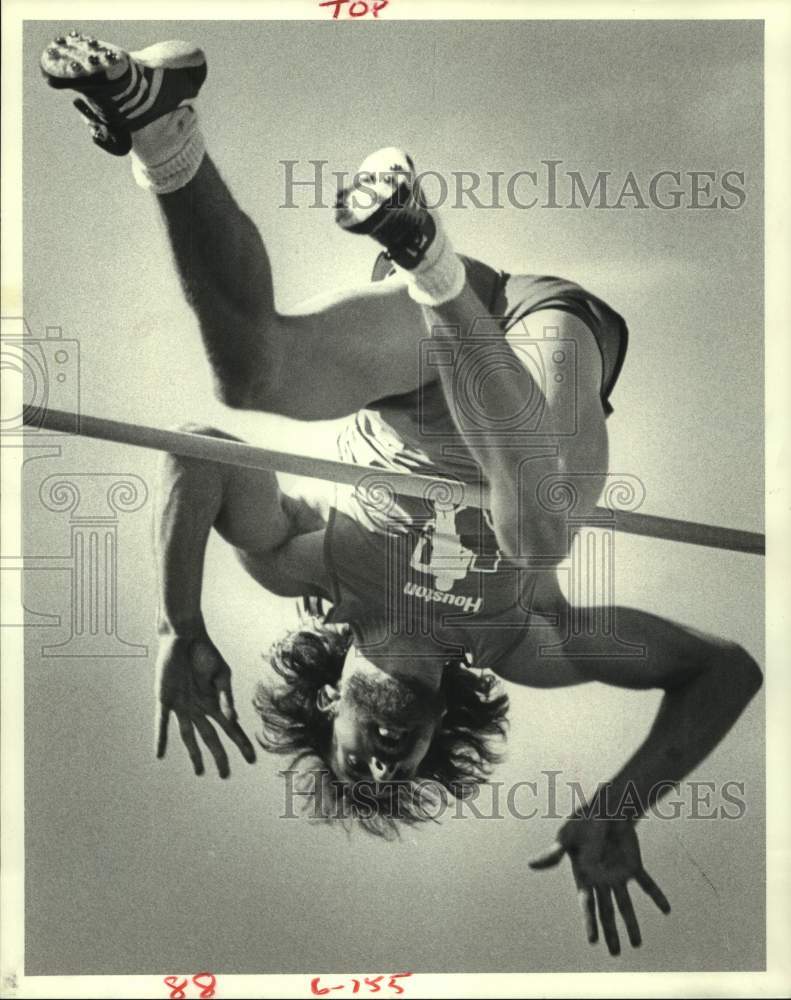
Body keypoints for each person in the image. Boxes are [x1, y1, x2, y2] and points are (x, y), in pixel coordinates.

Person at [40, 32, 763, 957]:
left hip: (424, 367)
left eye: (356, 759)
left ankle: (157, 123)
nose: (382, 757)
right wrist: (621, 805)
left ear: (327, 704)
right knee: (539, 532)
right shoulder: (520, 643)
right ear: (437, 742)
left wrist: (180, 621)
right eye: (400, 768)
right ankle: (425, 258)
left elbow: (198, 454)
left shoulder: (307, 562)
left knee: (250, 381)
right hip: (537, 336)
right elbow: (724, 672)